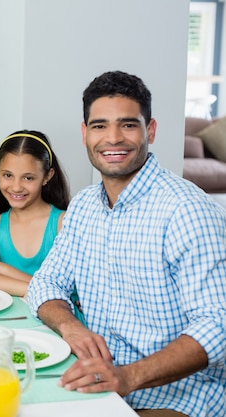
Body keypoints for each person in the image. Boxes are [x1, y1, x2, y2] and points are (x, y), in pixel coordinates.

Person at [26, 71, 226, 417]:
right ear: (85, 133)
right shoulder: (85, 205)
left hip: (180, 398)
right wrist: (70, 325)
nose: (113, 138)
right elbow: (46, 283)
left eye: (128, 125)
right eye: (100, 126)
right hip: (102, 386)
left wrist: (127, 377)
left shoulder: (187, 211)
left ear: (150, 130)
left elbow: (218, 325)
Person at [0, 130, 70, 297]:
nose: (16, 187)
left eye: (28, 178)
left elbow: (65, 289)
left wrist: (0, 268)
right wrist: (36, 290)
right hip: (8, 322)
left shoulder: (64, 223)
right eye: (8, 175)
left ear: (47, 176)